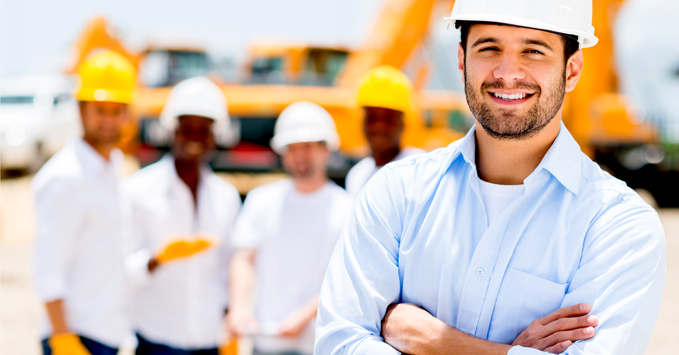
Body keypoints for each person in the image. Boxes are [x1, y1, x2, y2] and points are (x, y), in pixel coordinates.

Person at [315, 1, 666, 354]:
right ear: (462, 60)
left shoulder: (619, 225)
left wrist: (433, 341)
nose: (508, 72)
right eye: (489, 48)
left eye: (533, 50)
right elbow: (339, 344)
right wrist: (512, 351)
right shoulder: (395, 193)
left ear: (572, 70)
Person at [122, 76, 241, 355]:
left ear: (215, 135)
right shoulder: (137, 190)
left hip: (211, 339)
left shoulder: (226, 197)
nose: (195, 138)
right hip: (156, 339)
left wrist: (233, 319)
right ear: (172, 130)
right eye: (188, 129)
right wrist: (155, 260)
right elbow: (118, 272)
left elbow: (230, 268)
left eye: (204, 130)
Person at [227, 101, 354, 355]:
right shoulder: (261, 201)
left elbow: (347, 278)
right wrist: (239, 307)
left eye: (307, 147)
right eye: (292, 148)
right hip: (266, 341)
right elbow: (244, 258)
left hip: (319, 345)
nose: (300, 155)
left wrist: (305, 316)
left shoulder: (348, 208)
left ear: (325, 150)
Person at [32, 50, 136, 355]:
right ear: (81, 110)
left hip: (106, 334)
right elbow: (47, 266)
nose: (109, 120)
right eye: (100, 110)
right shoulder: (66, 177)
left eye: (116, 110)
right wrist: (63, 337)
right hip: (75, 337)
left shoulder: (112, 168)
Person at [344, 66, 424, 197]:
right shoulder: (357, 175)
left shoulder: (419, 169)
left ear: (403, 122)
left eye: (388, 118)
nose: (379, 126)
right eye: (372, 117)